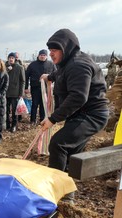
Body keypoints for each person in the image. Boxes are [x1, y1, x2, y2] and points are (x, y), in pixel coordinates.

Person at [40, 28, 109, 173]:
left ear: (66, 48)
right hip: (79, 114)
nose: (51, 53)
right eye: (50, 49)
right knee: (71, 153)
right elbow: (61, 73)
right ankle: (67, 190)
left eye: (55, 50)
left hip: (91, 115)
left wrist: (53, 119)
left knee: (58, 144)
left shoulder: (78, 65)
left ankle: (54, 187)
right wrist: (50, 77)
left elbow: (78, 97)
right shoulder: (68, 62)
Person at [25, 49, 57, 124]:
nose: (42, 56)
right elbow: (26, 76)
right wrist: (26, 87)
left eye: (44, 55)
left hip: (46, 87)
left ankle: (42, 119)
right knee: (35, 104)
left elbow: (56, 75)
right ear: (38, 56)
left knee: (44, 104)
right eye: (41, 55)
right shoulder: (32, 65)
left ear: (46, 56)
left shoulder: (51, 64)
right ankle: (33, 120)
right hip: (35, 87)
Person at [5, 52, 25, 132]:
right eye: (9, 58)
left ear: (15, 59)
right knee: (5, 110)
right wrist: (7, 70)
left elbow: (23, 81)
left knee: (14, 110)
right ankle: (7, 124)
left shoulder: (19, 67)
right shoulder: (5, 67)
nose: (11, 59)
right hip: (5, 92)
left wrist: (21, 93)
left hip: (15, 93)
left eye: (12, 58)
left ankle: (14, 125)